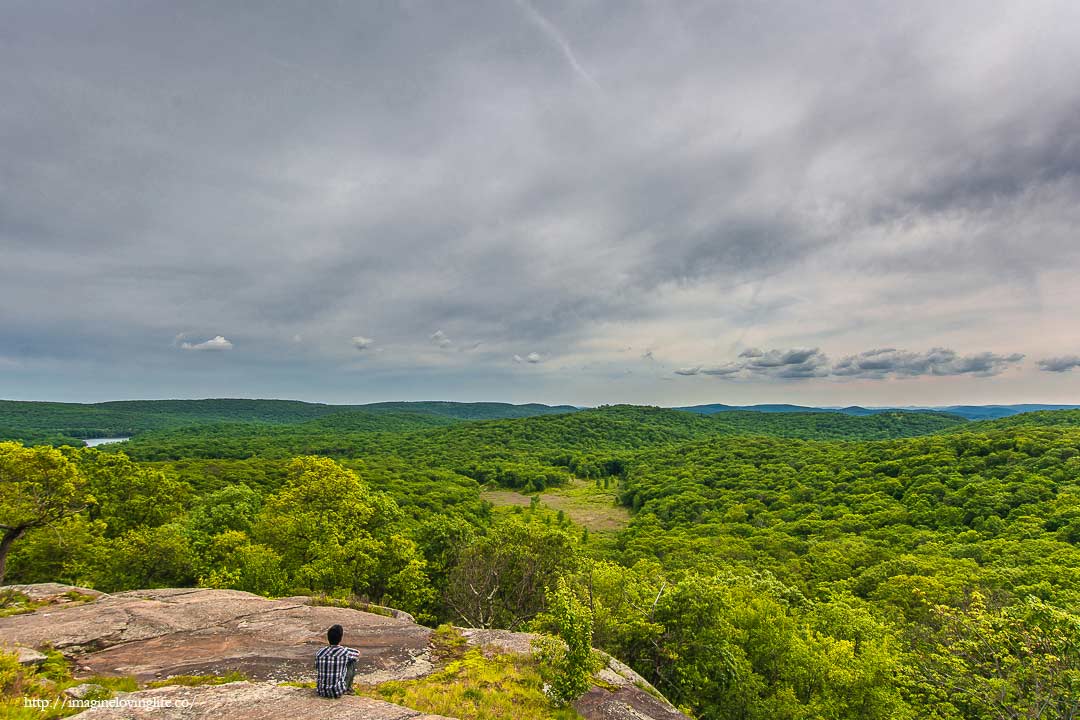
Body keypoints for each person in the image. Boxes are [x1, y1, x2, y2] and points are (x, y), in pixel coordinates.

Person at [314, 624, 360, 698]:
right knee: (352, 661)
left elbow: (316, 667)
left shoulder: (320, 652)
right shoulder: (345, 652)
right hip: (337, 691)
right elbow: (357, 653)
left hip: (321, 691)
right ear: (341, 638)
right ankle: (348, 688)